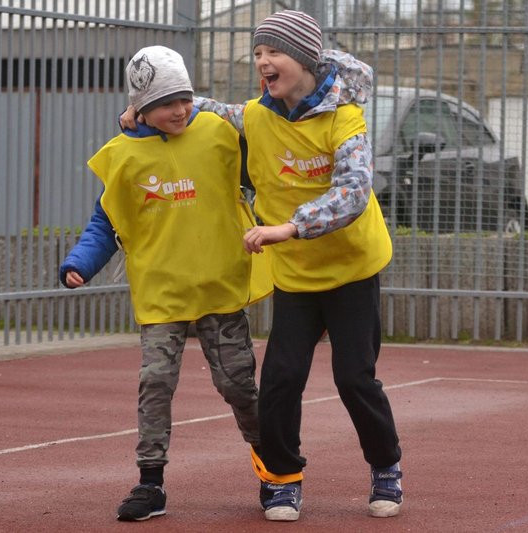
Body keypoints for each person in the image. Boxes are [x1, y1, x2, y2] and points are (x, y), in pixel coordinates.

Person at [122, 10, 402, 522]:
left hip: (352, 269)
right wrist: (147, 109)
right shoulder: (256, 114)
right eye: (257, 54)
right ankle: (284, 478)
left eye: (273, 52)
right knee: (280, 379)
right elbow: (201, 108)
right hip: (296, 275)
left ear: (303, 59)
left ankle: (385, 467)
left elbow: (354, 192)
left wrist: (289, 227)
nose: (263, 62)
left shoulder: (346, 118)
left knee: (354, 377)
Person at [60, 45, 271, 522]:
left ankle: (273, 470)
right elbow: (106, 223)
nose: (179, 110)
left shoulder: (219, 134)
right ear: (140, 108)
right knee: (155, 382)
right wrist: (81, 262)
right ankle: (150, 483)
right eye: (165, 102)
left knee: (238, 386)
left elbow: (268, 155)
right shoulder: (123, 156)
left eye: (185, 98)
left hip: (220, 286)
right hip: (162, 294)